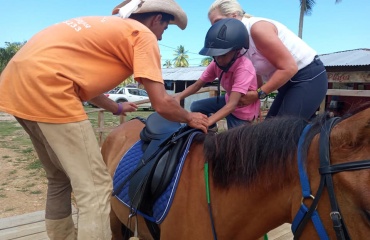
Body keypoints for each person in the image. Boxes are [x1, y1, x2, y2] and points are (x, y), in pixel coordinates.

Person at [0, 0, 208, 239]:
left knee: (58, 177)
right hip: (50, 89)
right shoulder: (142, 34)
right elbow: (161, 103)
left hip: (14, 84)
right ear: (156, 20)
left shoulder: (106, 27)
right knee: (96, 189)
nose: (161, 37)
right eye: (165, 28)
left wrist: (115, 107)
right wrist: (189, 116)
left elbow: (77, 77)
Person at [208, 0, 328, 120]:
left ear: (234, 16)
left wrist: (258, 94)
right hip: (285, 84)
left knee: (281, 133)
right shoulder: (237, 43)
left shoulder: (257, 29)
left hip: (307, 77)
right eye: (213, 25)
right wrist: (253, 103)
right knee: (268, 130)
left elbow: (289, 67)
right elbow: (257, 79)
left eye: (218, 22)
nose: (216, 29)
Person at [175, 18, 260, 130]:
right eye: (215, 55)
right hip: (227, 100)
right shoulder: (216, 63)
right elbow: (197, 85)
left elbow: (232, 105)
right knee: (196, 106)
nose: (218, 59)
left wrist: (206, 122)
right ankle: (211, 129)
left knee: (235, 144)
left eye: (223, 55)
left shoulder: (244, 68)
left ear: (237, 50)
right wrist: (179, 96)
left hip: (242, 110)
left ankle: (211, 127)